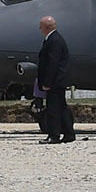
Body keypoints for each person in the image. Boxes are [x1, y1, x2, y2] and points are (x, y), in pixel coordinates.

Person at [36, 15, 75, 143]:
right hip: (58, 81)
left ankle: (54, 135)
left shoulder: (54, 41)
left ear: (46, 27)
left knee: (53, 109)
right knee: (61, 108)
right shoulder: (53, 39)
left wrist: (47, 82)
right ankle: (69, 134)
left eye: (40, 27)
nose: (40, 29)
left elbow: (52, 63)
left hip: (55, 82)